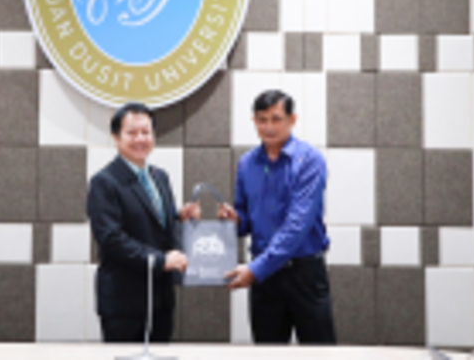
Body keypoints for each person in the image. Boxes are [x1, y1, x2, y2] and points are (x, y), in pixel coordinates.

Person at [219, 89, 336, 344]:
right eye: (262, 120)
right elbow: (245, 217)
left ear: (292, 120)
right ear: (254, 121)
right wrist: (234, 221)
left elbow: (297, 226)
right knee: (267, 352)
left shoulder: (310, 161)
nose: (268, 127)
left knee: (320, 353)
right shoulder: (247, 163)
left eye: (276, 119)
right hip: (265, 279)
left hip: (303, 273)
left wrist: (255, 270)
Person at [87, 102, 197, 342]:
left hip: (161, 298)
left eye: (146, 132)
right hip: (124, 301)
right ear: (116, 137)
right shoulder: (104, 182)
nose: (140, 139)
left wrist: (178, 218)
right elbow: (111, 239)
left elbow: (154, 226)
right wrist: (161, 260)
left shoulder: (160, 177)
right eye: (132, 133)